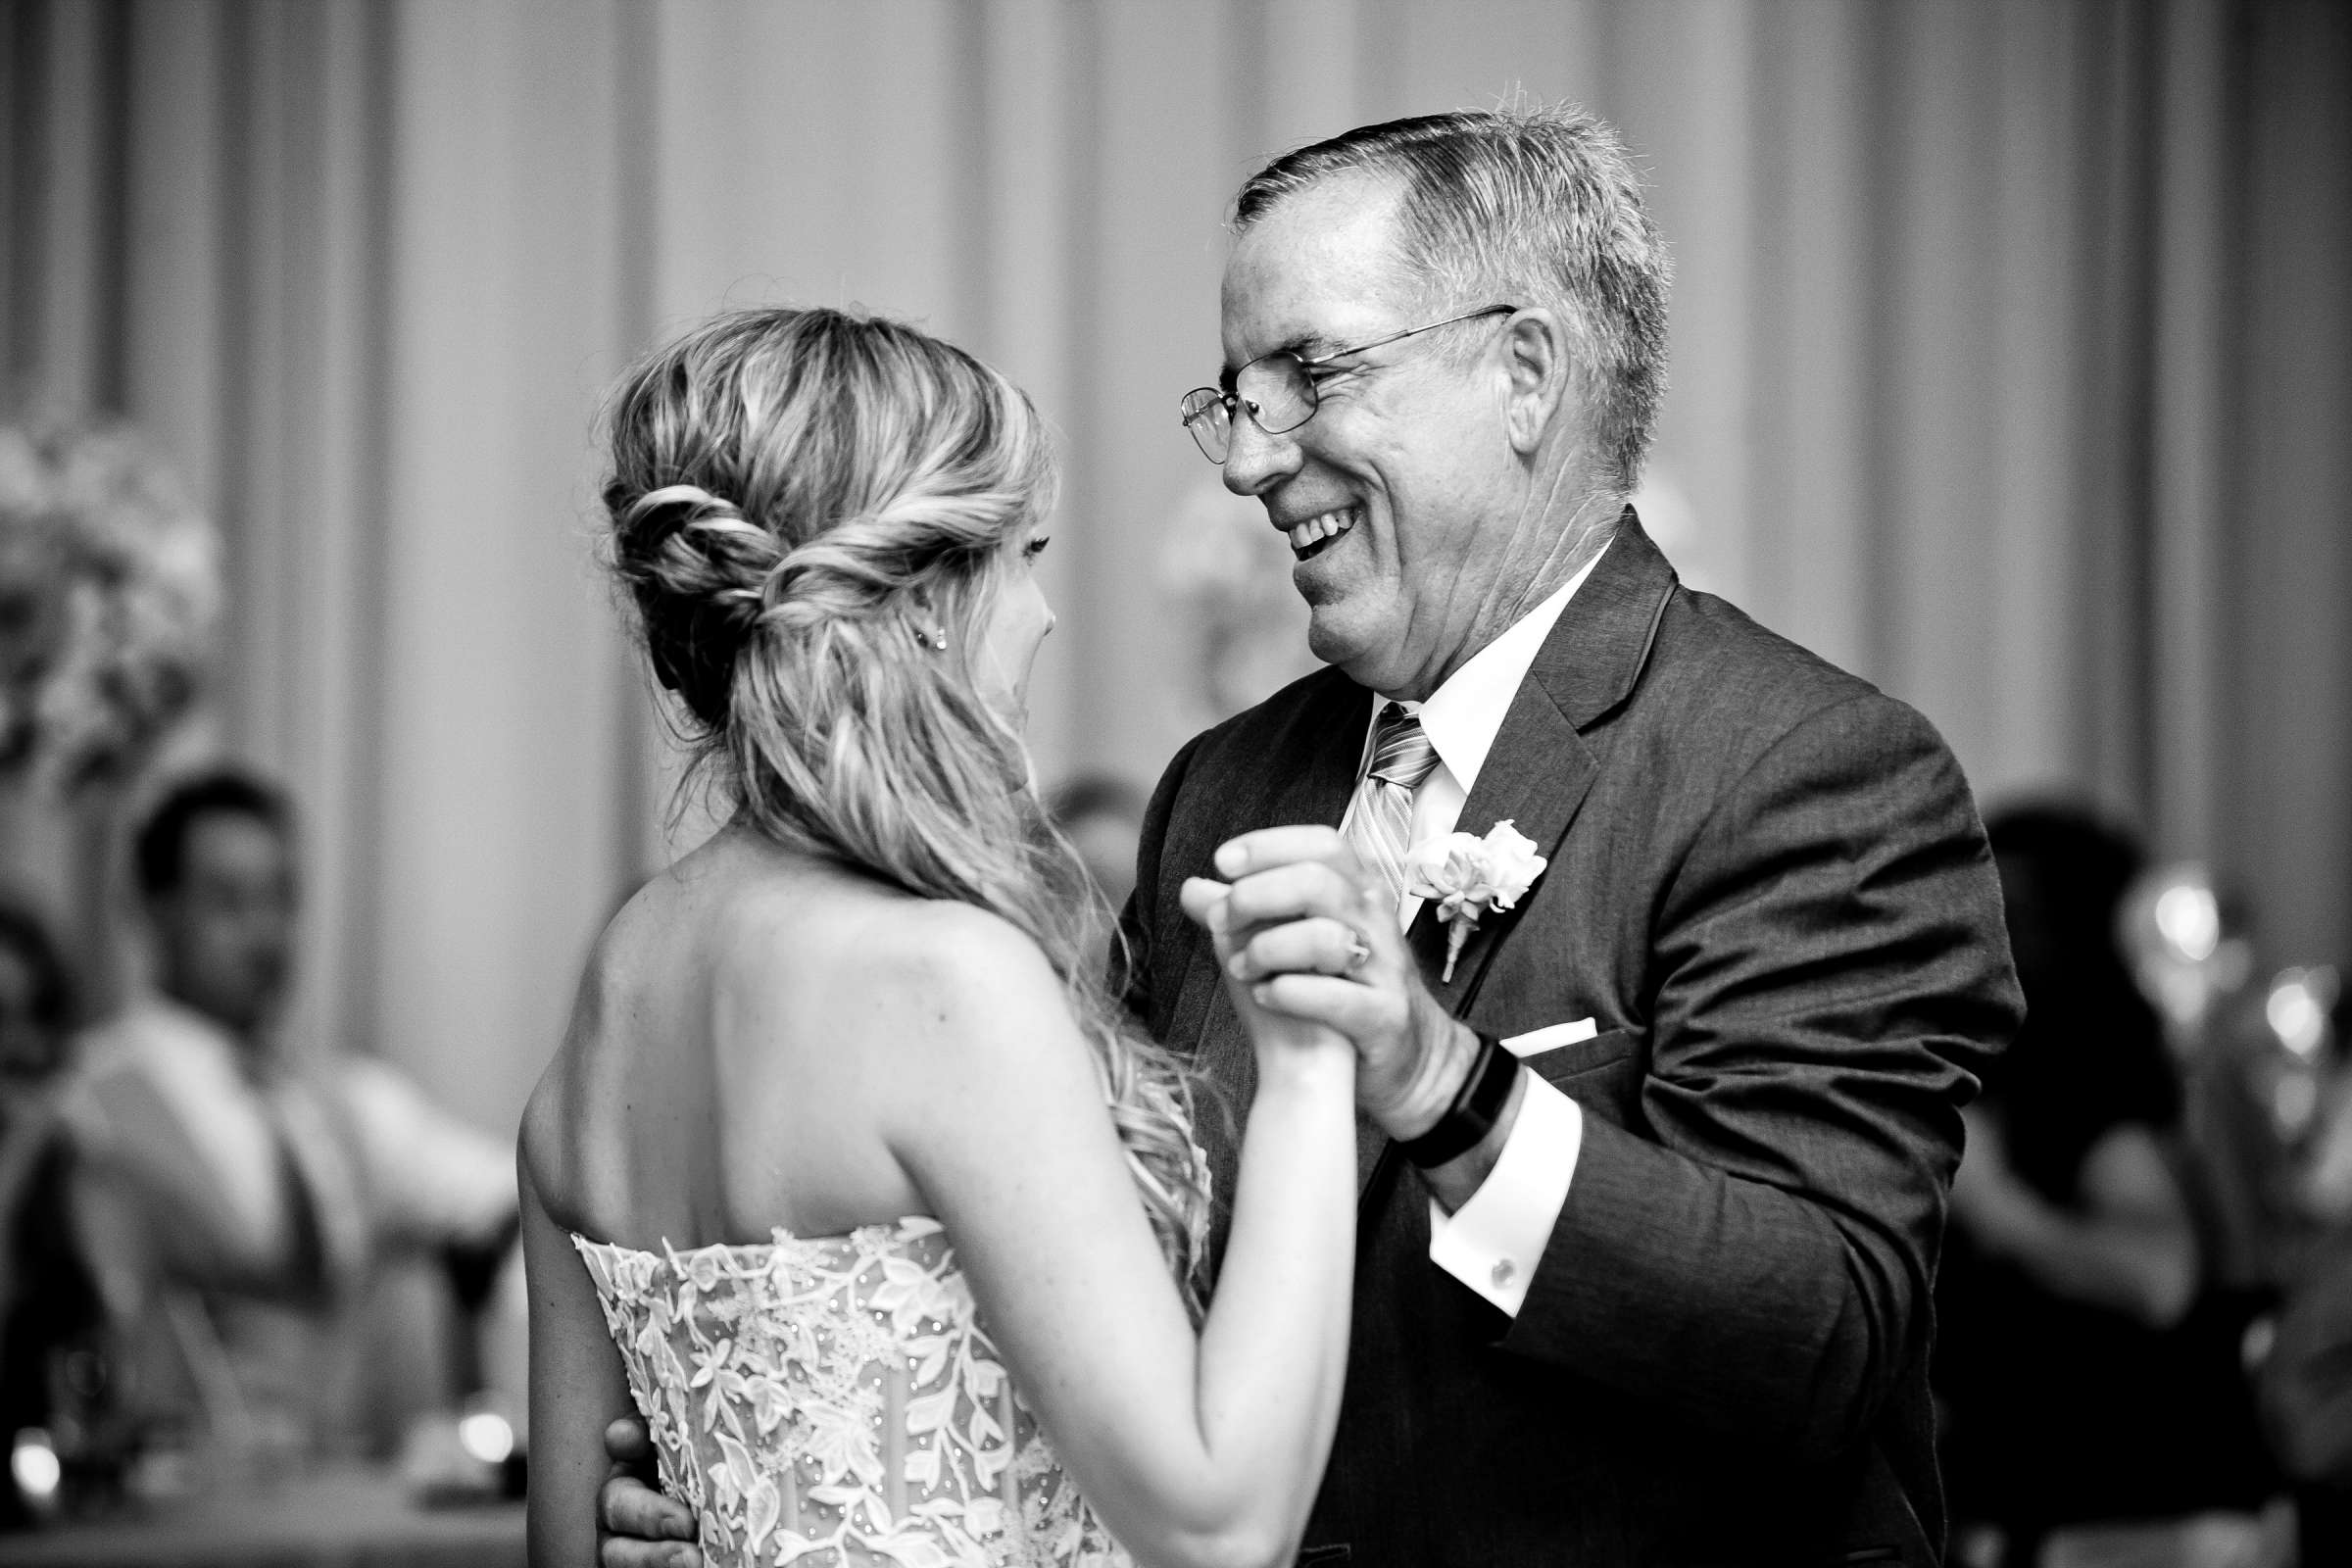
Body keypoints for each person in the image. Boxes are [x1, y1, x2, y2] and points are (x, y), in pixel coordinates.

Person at [603, 105, 2021, 1566]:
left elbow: (1824, 1338)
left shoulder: (1801, 770)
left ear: (1523, 374)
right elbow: (1104, 1283)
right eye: (1237, 394)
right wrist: (764, 1474)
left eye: (1312, 374)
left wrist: (1450, 1087)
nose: (1247, 458)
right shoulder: (1225, 788)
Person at [519, 308, 1361, 1568]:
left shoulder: (619, 983)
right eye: (1022, 555)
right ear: (917, 604)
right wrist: (1307, 1066)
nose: (1042, 617)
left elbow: (565, 1545)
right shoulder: (945, 983)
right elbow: (1221, 1526)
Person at [61, 770, 517, 1457]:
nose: (266, 933)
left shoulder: (351, 1101)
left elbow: (516, 1189)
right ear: (154, 910)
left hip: (350, 1499)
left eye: (282, 899)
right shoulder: (83, 1102)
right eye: (230, 901)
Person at [1936, 804, 2272, 1560]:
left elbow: (2158, 1276)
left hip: (2127, 1510)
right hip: (2100, 1503)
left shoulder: (2078, 1067)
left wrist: (1998, 1209)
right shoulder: (2050, 1054)